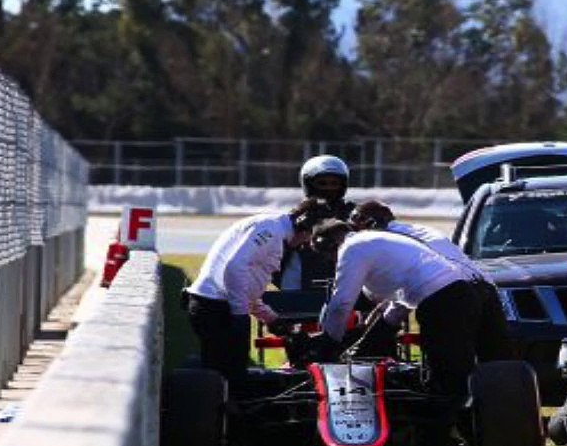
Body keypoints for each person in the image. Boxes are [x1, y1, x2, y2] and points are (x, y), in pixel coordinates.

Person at [311, 220, 485, 397]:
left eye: (328, 258)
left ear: (329, 246)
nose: (332, 262)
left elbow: (341, 304)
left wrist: (329, 343)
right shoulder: (376, 241)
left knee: (445, 373)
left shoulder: (351, 249)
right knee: (458, 368)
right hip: (462, 295)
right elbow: (402, 299)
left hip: (441, 302)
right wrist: (372, 338)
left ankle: (444, 418)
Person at [184, 198, 333, 386]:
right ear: (304, 223)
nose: (305, 243)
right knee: (228, 379)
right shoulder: (270, 230)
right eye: (309, 236)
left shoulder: (272, 229)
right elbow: (234, 268)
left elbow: (244, 285)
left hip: (216, 305)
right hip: (215, 308)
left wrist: (271, 319)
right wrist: (240, 313)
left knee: (227, 376)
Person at [348, 199, 510, 362]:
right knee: (495, 362)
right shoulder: (419, 230)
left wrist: (373, 337)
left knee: (449, 368)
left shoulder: (387, 242)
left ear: (368, 224)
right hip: (486, 289)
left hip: (452, 295)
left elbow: (407, 293)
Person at [278, 155, 355, 290]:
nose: (329, 188)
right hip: (301, 277)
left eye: (334, 183)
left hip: (344, 277)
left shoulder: (353, 214)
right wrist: (293, 242)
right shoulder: (297, 214)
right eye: (322, 183)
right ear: (308, 183)